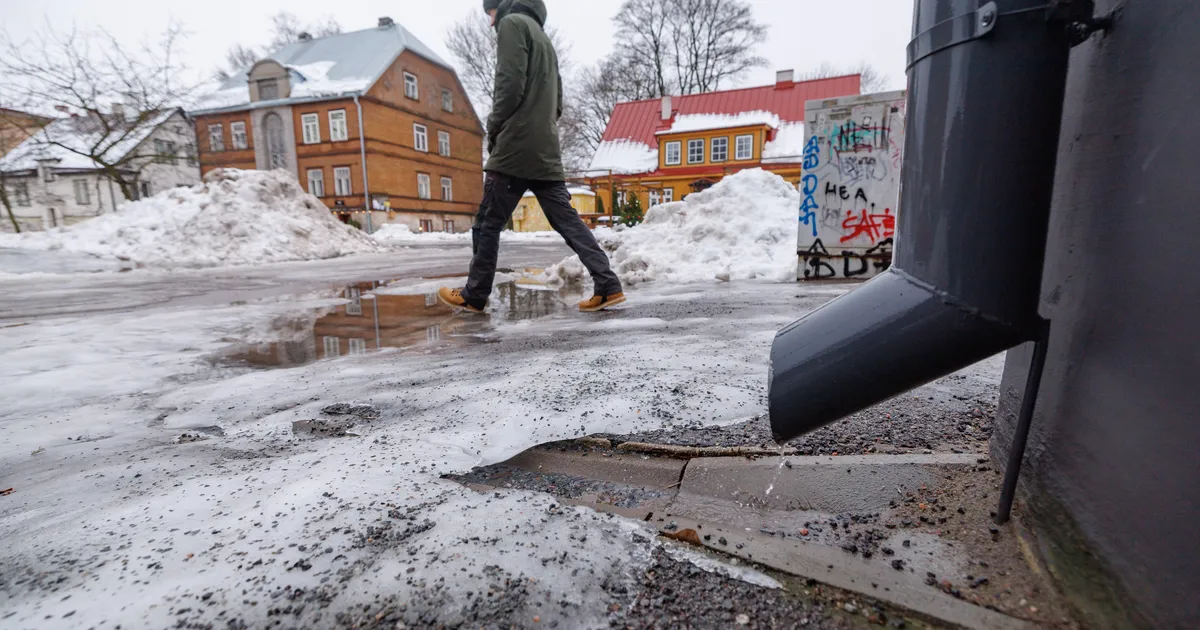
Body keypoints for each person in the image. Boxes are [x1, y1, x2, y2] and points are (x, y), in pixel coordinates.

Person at [438, 0, 625, 314]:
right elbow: (558, 102)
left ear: (502, 6)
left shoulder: (513, 25)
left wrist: (495, 127)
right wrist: (541, 125)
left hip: (515, 145)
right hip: (545, 147)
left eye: (491, 14)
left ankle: (475, 293)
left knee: (487, 222)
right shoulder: (543, 38)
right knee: (567, 220)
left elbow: (509, 84)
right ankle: (608, 284)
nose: (490, 22)